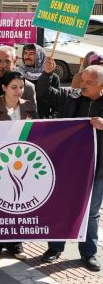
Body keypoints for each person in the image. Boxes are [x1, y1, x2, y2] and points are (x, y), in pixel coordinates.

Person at [38, 59, 103, 271]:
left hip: (97, 171)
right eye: (82, 80)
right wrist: (47, 74)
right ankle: (55, 248)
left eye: (89, 82)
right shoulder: (70, 98)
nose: (82, 85)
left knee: (91, 214)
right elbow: (45, 94)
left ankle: (89, 253)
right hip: (67, 168)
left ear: (101, 86)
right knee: (62, 207)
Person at [0, 71, 37, 261]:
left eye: (21, 87)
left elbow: (37, 131)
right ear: (4, 88)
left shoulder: (29, 106)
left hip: (23, 163)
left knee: (19, 203)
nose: (18, 91)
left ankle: (15, 243)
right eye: (14, 87)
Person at [17, 44, 60, 118]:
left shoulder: (52, 77)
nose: (27, 56)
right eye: (25, 53)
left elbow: (57, 104)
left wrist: (50, 119)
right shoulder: (18, 74)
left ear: (40, 56)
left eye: (31, 53)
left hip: (42, 121)